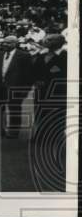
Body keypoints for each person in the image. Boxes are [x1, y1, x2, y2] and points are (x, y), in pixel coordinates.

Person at [30, 33, 67, 190]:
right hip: (40, 90)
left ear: (58, 42)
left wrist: (48, 78)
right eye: (47, 39)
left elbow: (62, 73)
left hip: (57, 90)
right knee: (40, 112)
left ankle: (54, 137)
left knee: (55, 113)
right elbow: (34, 68)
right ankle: (40, 135)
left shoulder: (66, 56)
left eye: (50, 40)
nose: (46, 41)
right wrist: (36, 80)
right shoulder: (41, 54)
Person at [0, 35, 33, 138]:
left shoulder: (24, 56)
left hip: (15, 88)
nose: (4, 44)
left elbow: (28, 75)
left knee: (14, 109)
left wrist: (26, 90)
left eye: (8, 43)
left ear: (15, 44)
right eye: (4, 42)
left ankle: (14, 131)